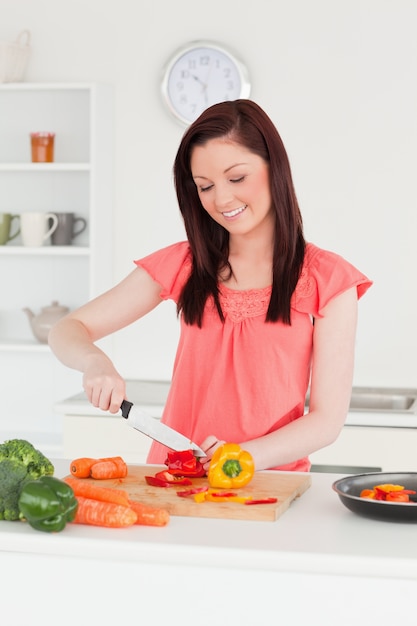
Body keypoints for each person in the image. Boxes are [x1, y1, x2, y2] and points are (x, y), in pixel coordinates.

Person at [48, 99, 372, 473]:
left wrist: (238, 459)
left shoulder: (327, 279)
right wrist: (94, 361)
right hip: (174, 479)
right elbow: (66, 330)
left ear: (274, 168)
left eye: (237, 178)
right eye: (205, 186)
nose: (221, 199)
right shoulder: (186, 264)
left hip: (267, 485)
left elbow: (327, 421)